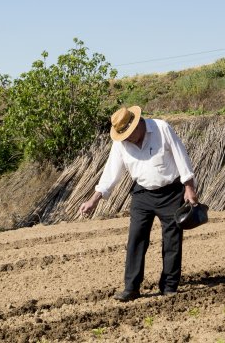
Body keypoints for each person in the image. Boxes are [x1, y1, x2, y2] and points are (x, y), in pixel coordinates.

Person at [79, 105, 198, 301]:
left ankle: (169, 286)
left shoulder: (161, 128)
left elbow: (181, 157)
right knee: (136, 239)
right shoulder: (121, 143)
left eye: (127, 135)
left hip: (171, 192)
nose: (125, 140)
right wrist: (94, 199)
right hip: (142, 193)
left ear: (137, 125)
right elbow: (111, 172)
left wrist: (189, 187)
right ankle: (131, 287)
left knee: (172, 240)